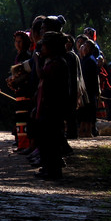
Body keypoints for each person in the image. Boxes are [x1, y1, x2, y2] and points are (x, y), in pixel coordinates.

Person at [33, 32, 70, 180]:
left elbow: (42, 76)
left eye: (44, 47)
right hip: (46, 106)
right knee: (45, 139)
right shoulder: (52, 61)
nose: (41, 50)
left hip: (53, 108)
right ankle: (48, 168)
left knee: (52, 140)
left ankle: (53, 170)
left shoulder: (57, 63)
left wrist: (36, 61)